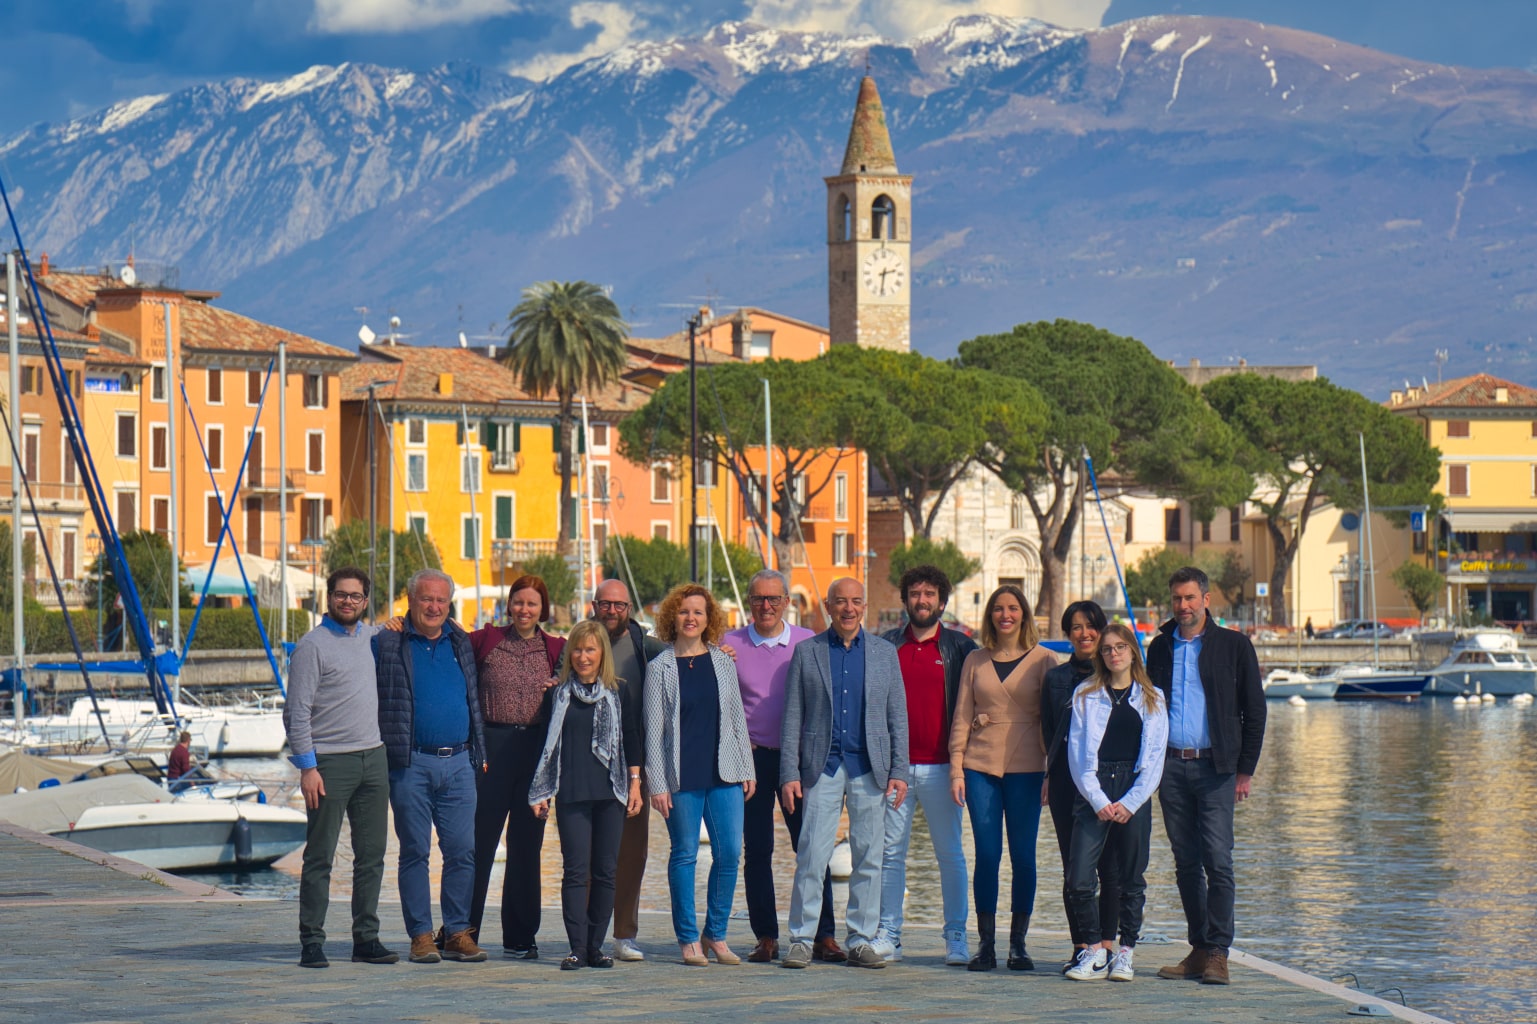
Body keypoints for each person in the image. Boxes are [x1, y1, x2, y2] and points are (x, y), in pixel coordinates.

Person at [779, 577, 909, 971]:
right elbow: (793, 716)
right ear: (828, 606)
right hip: (822, 767)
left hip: (870, 767)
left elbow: (897, 716)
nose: (848, 609)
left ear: (864, 606)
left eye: (855, 601)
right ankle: (801, 940)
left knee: (869, 857)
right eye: (840, 602)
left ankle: (860, 940)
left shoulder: (885, 653)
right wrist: (789, 773)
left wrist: (899, 769)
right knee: (811, 855)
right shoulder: (808, 652)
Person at [1146, 566, 1266, 986]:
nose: (1183, 606)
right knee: (1185, 862)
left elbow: (1255, 711)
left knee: (1218, 859)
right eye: (1177, 599)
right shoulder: (1160, 648)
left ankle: (1218, 952)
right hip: (1171, 768)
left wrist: (1244, 770)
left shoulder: (1234, 645)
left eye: (1190, 598)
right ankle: (1198, 949)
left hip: (1217, 768)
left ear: (1206, 600)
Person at [723, 569, 841, 965]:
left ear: (787, 602)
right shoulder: (729, 644)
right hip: (752, 760)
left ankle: (823, 934)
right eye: (759, 598)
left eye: (774, 598)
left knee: (811, 847)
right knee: (757, 849)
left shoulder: (809, 642)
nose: (766, 606)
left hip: (800, 759)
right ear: (749, 602)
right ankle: (766, 936)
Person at [373, 568, 488, 965]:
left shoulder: (461, 642)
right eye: (427, 599)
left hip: (459, 762)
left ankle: (456, 933)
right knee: (414, 852)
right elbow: (355, 646)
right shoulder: (387, 641)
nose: (434, 606)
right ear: (410, 601)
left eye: (441, 600)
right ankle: (421, 936)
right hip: (411, 763)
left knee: (463, 851)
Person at [284, 569, 396, 969]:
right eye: (341, 594)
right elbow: (296, 712)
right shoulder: (311, 646)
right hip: (329, 763)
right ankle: (312, 941)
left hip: (374, 758)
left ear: (365, 601)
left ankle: (365, 938)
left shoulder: (372, 638)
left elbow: (402, 626)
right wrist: (307, 768)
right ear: (329, 597)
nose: (348, 601)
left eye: (356, 596)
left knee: (372, 856)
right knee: (320, 857)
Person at [643, 583, 755, 966]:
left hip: (725, 772)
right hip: (680, 776)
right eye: (684, 611)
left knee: (730, 853)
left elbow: (737, 720)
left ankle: (716, 934)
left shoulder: (723, 662)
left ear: (709, 620)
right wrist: (657, 784)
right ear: (672, 617)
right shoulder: (658, 668)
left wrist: (747, 768)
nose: (690, 618)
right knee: (685, 854)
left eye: (698, 612)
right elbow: (653, 732)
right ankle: (688, 938)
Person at [875, 565, 977, 966]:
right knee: (890, 854)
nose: (922, 600)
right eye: (915, 593)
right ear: (905, 600)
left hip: (943, 769)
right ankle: (889, 934)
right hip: (894, 771)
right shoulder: (886, 646)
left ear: (942, 602)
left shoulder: (960, 648)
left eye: (929, 594)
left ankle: (956, 936)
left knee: (950, 855)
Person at [950, 584, 1055, 971]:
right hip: (980, 768)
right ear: (990, 615)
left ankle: (1018, 945)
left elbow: (1056, 721)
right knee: (988, 855)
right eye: (998, 608)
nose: (1005, 614)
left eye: (1013, 608)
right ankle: (986, 944)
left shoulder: (1045, 660)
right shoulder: (975, 660)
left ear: (1024, 613)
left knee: (1024, 856)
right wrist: (956, 767)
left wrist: (1052, 772)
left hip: (1029, 768)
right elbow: (962, 716)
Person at [529, 620, 644, 970]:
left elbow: (631, 738)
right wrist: (541, 792)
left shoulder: (618, 691)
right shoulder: (556, 694)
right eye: (577, 649)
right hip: (572, 794)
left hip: (611, 793)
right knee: (576, 872)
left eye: (590, 649)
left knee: (606, 871)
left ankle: (596, 947)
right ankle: (577, 948)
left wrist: (635, 783)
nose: (583, 656)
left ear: (601, 653)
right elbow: (545, 746)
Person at [1062, 624, 1168, 982]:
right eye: (1107, 649)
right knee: (1079, 878)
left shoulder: (1153, 697)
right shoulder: (1085, 694)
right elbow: (1077, 755)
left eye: (1120, 647)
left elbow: (1155, 759)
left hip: (1133, 787)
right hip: (1095, 787)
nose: (1114, 654)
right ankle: (1094, 951)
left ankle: (1125, 952)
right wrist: (1097, 799)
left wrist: (1131, 802)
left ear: (1133, 652)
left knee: (1131, 877)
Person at [467, 575, 565, 959]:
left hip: (534, 753)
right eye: (519, 602)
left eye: (532, 604)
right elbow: (442, 633)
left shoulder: (556, 648)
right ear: (509, 605)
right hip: (491, 751)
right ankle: (463, 930)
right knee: (478, 844)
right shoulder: (486, 641)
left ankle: (521, 936)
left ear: (543, 609)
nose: (525, 610)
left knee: (527, 848)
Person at [1041, 600, 1120, 974]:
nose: (1084, 633)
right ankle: (1082, 946)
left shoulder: (1118, 675)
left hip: (1110, 782)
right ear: (1068, 634)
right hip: (1065, 783)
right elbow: (1049, 732)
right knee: (1074, 868)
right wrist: (1048, 775)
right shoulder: (1055, 679)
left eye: (1091, 626)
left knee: (1110, 867)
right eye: (1076, 627)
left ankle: (1106, 945)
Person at [590, 578, 667, 963]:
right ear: (594, 605)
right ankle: (587, 934)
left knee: (632, 854)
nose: (612, 611)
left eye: (619, 605)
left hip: (636, 761)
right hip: (588, 762)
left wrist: (722, 654)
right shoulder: (581, 642)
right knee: (587, 853)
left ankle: (624, 934)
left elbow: (688, 657)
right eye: (605, 604)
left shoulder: (645, 646)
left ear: (629, 609)